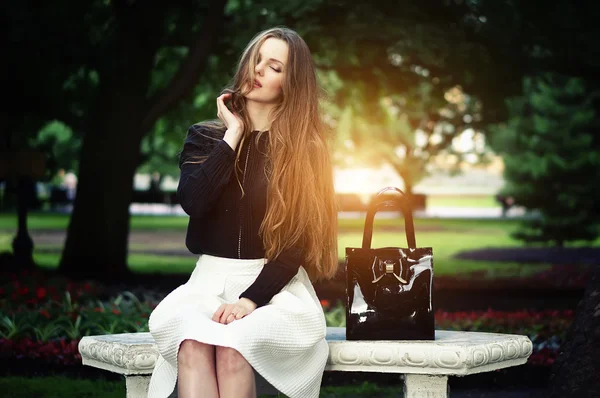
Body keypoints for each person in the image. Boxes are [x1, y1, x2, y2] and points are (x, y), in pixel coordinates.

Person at [147, 27, 339, 398]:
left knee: (232, 350)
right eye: (257, 59)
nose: (260, 69)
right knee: (193, 345)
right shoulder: (204, 137)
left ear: (291, 83)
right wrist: (232, 135)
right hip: (207, 284)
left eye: (275, 66)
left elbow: (297, 243)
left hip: (275, 288)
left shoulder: (306, 150)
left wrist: (251, 299)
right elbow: (194, 201)